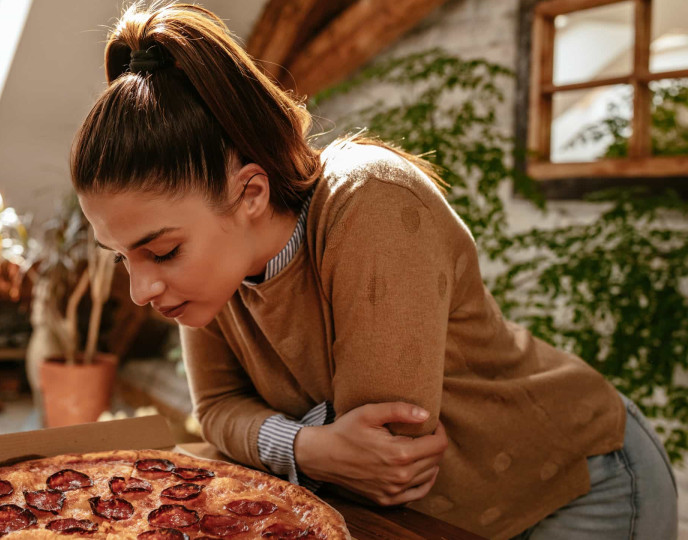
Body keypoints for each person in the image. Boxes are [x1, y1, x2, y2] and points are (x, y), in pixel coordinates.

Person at [69, 3, 679, 539]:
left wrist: (275, 436)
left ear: (251, 192)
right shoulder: (210, 277)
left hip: (580, 482)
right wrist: (309, 444)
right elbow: (218, 411)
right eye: (122, 257)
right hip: (447, 517)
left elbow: (388, 461)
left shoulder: (372, 201)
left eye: (163, 251)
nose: (142, 289)